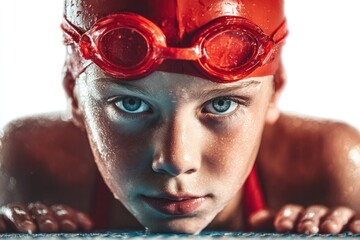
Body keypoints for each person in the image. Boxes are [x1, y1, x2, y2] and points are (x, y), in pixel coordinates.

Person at [1, 0, 360, 235]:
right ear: (74, 96)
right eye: (131, 105)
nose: (175, 160)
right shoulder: (28, 164)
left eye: (221, 105)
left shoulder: (331, 167)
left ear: (274, 90)